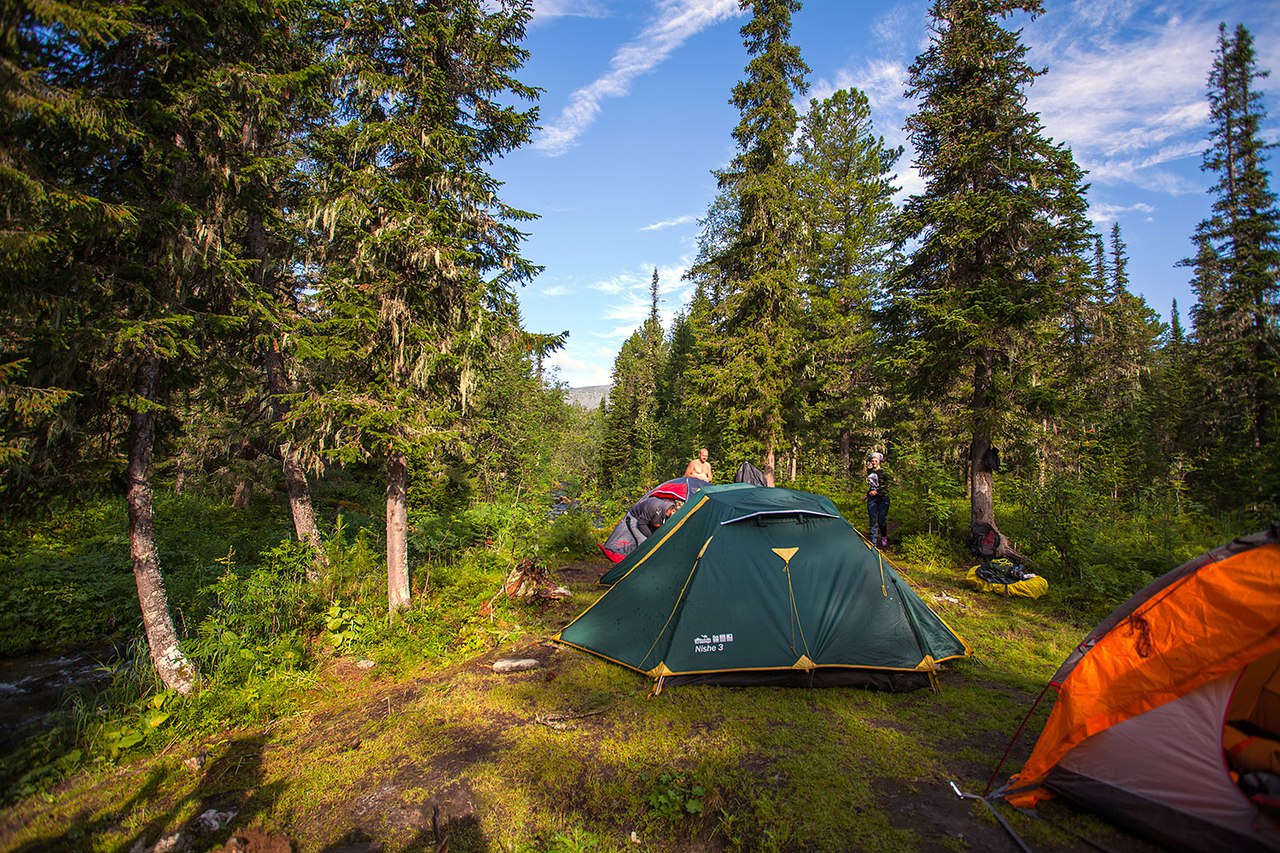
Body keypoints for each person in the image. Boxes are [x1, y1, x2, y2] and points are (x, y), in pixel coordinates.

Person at [865, 451, 890, 548]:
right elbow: (872, 486)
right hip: (872, 499)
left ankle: (883, 536)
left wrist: (878, 492)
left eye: (875, 461)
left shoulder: (884, 472)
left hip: (883, 498)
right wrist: (867, 494)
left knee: (882, 520)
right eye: (872, 461)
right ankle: (873, 542)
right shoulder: (869, 471)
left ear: (879, 461)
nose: (874, 462)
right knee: (872, 519)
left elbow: (886, 486)